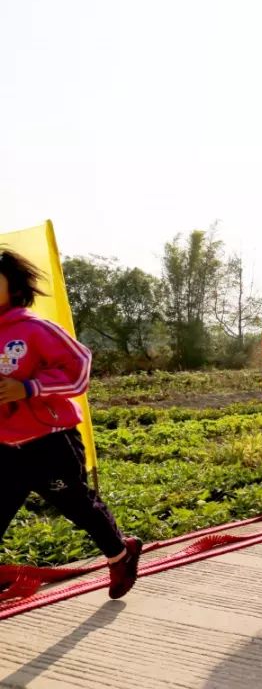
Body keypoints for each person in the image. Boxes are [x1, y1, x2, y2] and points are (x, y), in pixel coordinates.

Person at [0, 248, 141, 598]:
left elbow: (78, 370)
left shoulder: (34, 329)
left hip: (48, 441)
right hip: (4, 447)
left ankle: (120, 553)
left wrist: (29, 387)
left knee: (78, 506)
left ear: (14, 287)